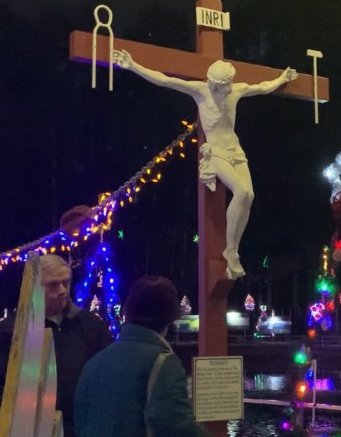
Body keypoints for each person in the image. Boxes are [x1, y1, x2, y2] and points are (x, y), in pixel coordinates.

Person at [112, 49, 298, 280]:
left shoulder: (236, 91)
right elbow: (164, 80)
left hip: (236, 151)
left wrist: (281, 78)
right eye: (226, 84)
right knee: (241, 192)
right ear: (215, 84)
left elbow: (262, 87)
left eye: (230, 83)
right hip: (216, 152)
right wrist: (133, 66)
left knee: (249, 195)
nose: (229, 87)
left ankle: (233, 249)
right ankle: (231, 251)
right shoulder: (201, 91)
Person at [0, 254, 111, 437]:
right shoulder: (12, 331)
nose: (62, 291)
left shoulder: (90, 327)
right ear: (35, 287)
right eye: (53, 285)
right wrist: (9, 431)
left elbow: (105, 381)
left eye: (66, 283)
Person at [73, 276, 216, 437]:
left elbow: (81, 423)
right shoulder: (162, 362)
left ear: (127, 311)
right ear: (170, 317)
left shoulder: (95, 363)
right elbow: (176, 430)